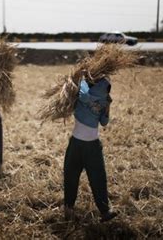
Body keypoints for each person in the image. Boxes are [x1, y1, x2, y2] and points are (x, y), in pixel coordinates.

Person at [63, 77, 117, 222]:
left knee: (98, 177)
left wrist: (107, 106)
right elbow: (85, 96)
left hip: (91, 145)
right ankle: (68, 208)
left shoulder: (98, 97)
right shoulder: (83, 93)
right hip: (77, 144)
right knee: (70, 175)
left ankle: (105, 211)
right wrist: (82, 78)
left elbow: (104, 122)